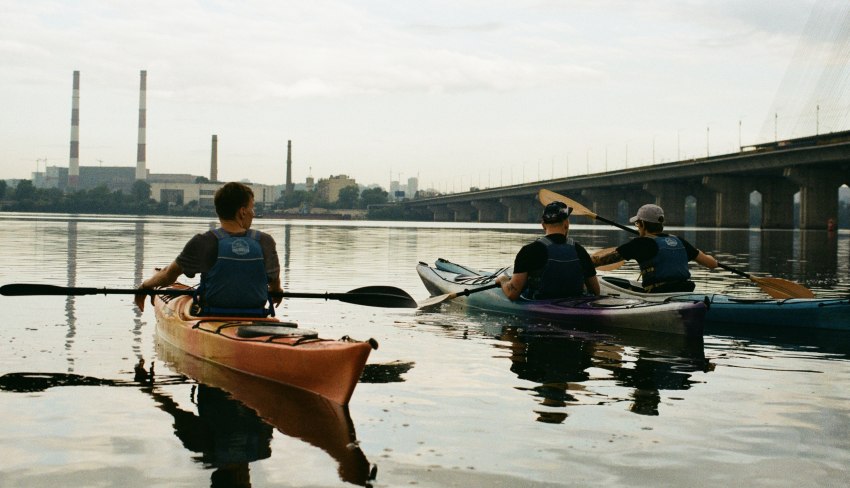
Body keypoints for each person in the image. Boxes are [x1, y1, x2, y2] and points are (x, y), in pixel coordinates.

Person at [135, 182, 283, 315]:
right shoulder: (265, 241)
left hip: (212, 314)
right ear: (242, 212)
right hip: (256, 314)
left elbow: (168, 275)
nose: (254, 213)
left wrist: (145, 286)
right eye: (252, 207)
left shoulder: (204, 242)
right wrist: (277, 292)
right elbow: (275, 286)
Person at [592, 203, 718, 293]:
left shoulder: (639, 243)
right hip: (685, 290)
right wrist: (702, 254)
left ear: (642, 224)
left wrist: (587, 261)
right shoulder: (679, 241)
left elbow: (603, 261)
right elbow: (712, 264)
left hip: (658, 293)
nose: (637, 227)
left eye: (637, 223)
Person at [497, 201, 600, 300]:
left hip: (539, 308)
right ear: (566, 223)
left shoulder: (529, 251)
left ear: (543, 225)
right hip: (575, 307)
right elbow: (595, 292)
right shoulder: (580, 250)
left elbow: (512, 294)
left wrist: (503, 280)